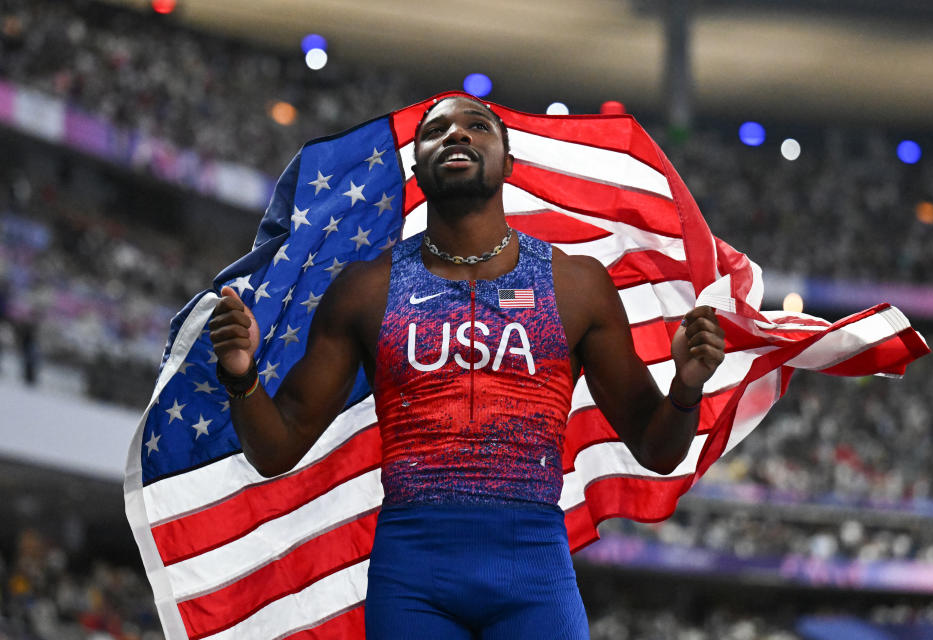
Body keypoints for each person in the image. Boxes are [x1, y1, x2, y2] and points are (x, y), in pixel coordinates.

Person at [209, 95, 726, 639]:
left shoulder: (576, 285)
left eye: (477, 127)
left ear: (508, 162)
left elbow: (657, 448)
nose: (457, 136)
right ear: (416, 166)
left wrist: (687, 387)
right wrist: (241, 376)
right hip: (413, 576)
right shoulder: (365, 290)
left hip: (534, 573)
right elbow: (276, 448)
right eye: (436, 132)